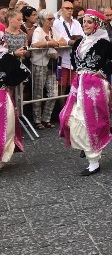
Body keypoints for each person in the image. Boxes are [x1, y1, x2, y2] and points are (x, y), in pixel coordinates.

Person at [58, 10, 112, 176]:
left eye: (89, 22)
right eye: (84, 22)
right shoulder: (80, 42)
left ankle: (93, 161)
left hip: (94, 87)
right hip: (79, 84)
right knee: (68, 117)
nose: (85, 25)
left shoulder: (103, 43)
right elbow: (74, 61)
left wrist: (103, 71)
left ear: (97, 24)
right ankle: (86, 144)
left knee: (90, 120)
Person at [30, 10, 66, 129]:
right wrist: (49, 43)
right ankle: (37, 120)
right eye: (49, 19)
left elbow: (63, 41)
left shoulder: (52, 30)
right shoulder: (38, 31)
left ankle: (46, 118)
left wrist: (53, 42)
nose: (52, 21)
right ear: (42, 20)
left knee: (53, 93)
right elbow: (35, 45)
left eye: (52, 19)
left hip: (51, 65)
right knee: (38, 93)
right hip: (39, 64)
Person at [0, 34, 30, 170]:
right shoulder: (7, 57)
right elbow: (24, 72)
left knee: (4, 125)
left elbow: (24, 72)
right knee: (4, 126)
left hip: (3, 95)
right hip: (3, 94)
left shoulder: (6, 57)